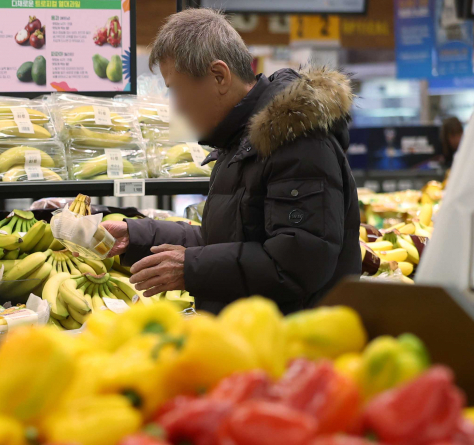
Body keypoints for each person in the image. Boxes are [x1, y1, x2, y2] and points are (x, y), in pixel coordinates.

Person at [105, 9, 357, 314]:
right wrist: (136, 235)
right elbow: (227, 239)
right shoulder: (242, 141)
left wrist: (191, 269)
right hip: (250, 339)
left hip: (290, 347)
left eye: (176, 90)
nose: (177, 107)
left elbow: (297, 263)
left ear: (219, 76)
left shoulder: (297, 142)